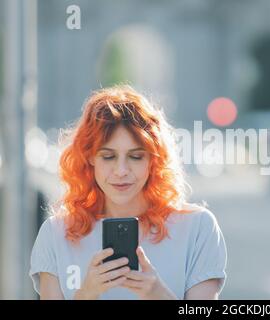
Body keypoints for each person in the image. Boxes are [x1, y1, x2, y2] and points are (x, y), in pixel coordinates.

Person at [29, 85, 227, 300]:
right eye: (108, 156)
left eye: (135, 156)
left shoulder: (197, 228)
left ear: (154, 159)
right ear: (89, 158)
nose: (121, 171)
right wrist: (85, 295)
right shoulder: (56, 234)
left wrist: (158, 295)